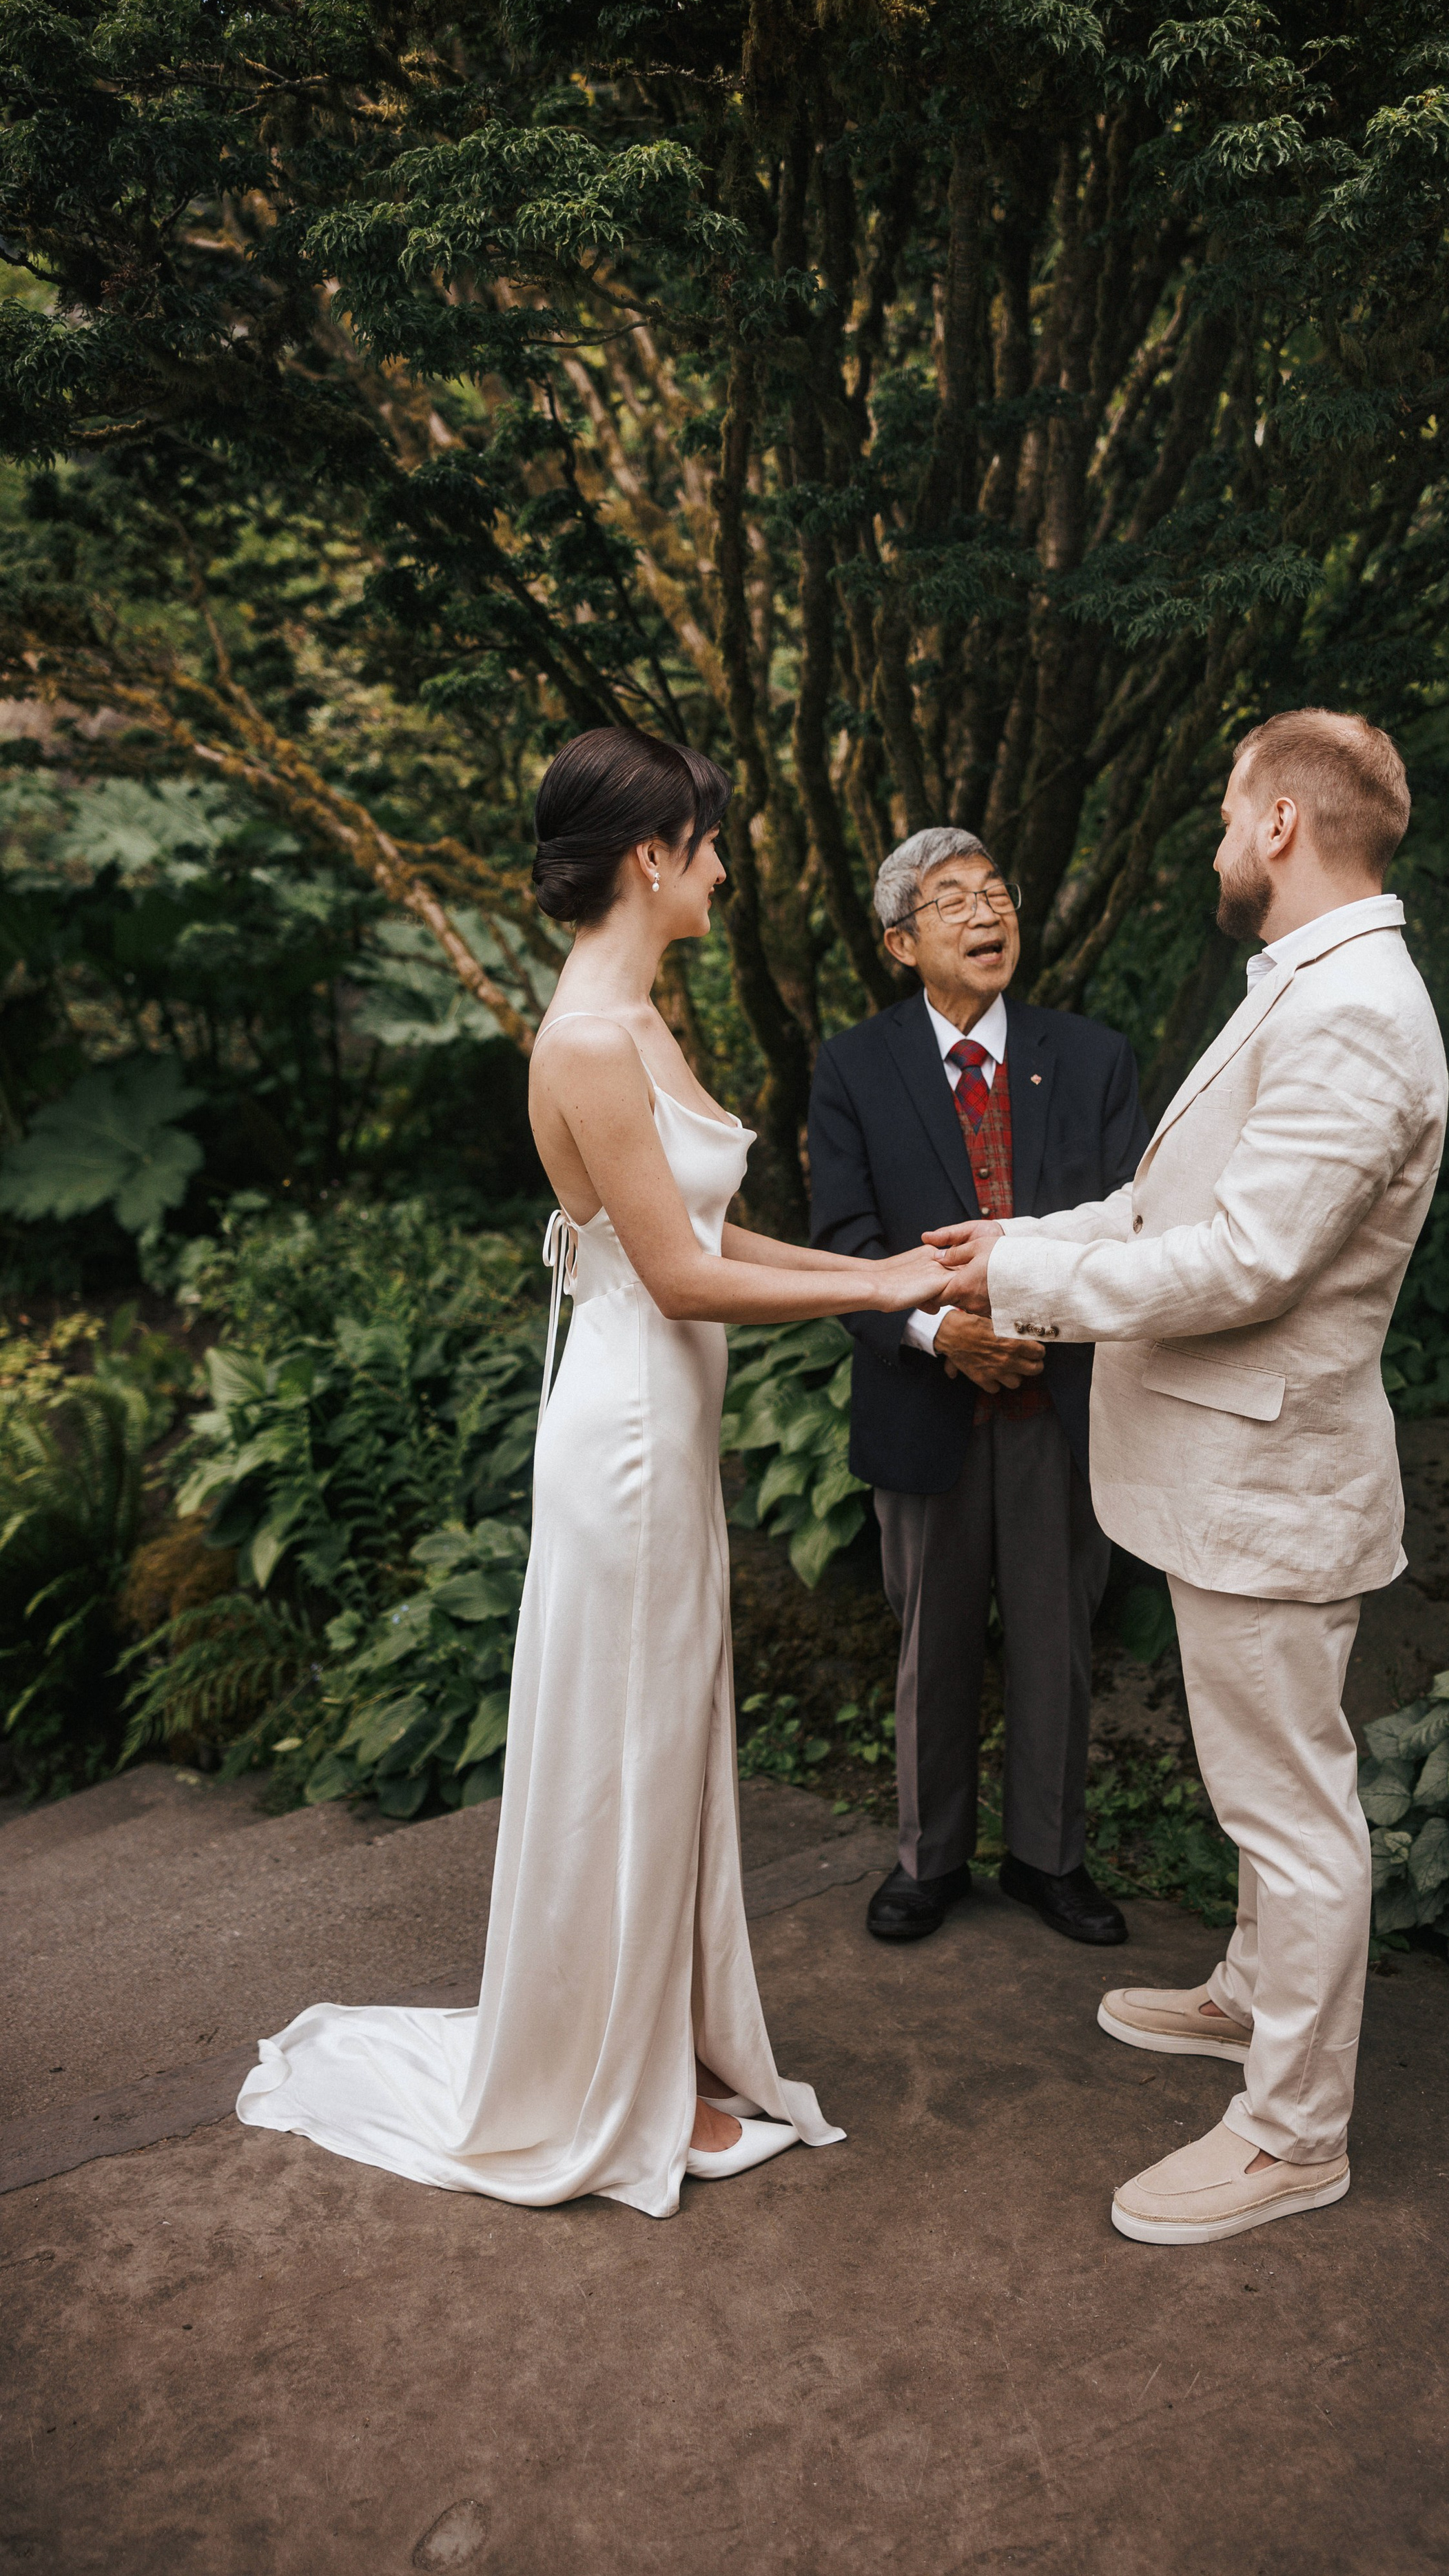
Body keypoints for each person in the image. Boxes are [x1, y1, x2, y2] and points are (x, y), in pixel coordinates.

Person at [237, 729, 949, 2216]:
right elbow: (680, 1281)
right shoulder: (582, 1040)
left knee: (664, 1744)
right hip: (624, 1440)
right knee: (629, 1753)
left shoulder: (638, 1018)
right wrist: (878, 1289)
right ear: (649, 855)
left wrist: (888, 1272)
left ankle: (661, 2047)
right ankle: (632, 2085)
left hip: (660, 1434)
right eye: (708, 842)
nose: (722, 868)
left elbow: (712, 1231)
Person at [929, 711, 1448, 2246]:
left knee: (1292, 1811)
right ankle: (1249, 1992)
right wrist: (1020, 1238)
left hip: (1270, 1482)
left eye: (1229, 812)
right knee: (1261, 1789)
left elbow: (1243, 1263)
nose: (1217, 840)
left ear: (1281, 821)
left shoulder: (1354, 1008)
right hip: (1230, 1472)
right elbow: (1172, 1206)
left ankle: (1293, 2134)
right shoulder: (1306, 981)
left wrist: (1026, 1282)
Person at [807, 828, 1148, 1948]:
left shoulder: (1092, 1057)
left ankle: (1051, 1858)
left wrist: (1030, 1324)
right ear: (902, 943)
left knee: (1058, 1640)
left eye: (996, 889)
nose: (985, 911)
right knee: (933, 1644)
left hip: (1061, 1400)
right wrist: (940, 1332)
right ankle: (928, 1859)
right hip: (925, 1402)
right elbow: (843, 1245)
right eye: (950, 899)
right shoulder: (854, 1068)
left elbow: (1137, 1227)